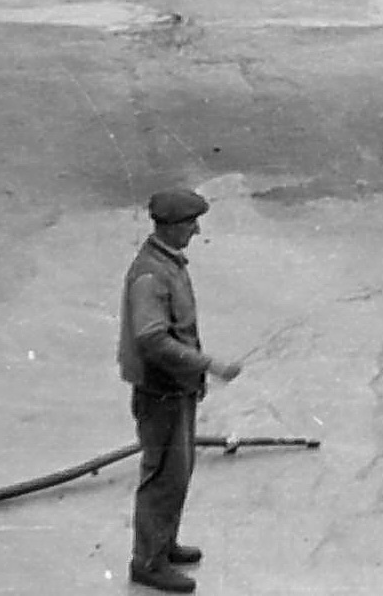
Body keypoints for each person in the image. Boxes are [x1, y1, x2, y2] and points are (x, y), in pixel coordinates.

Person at [119, 188, 244, 594]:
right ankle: (148, 563)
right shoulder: (152, 275)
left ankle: (164, 544)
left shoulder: (168, 263)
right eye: (190, 223)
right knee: (162, 477)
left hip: (176, 390)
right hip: (161, 393)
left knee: (177, 473)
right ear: (170, 227)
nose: (196, 229)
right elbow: (152, 339)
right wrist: (209, 365)